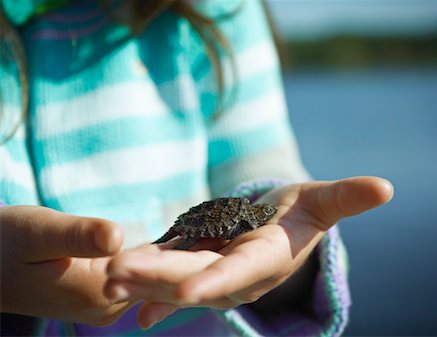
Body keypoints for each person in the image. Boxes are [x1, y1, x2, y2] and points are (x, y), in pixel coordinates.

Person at [0, 0, 394, 336]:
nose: (263, 217)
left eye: (262, 216)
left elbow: (257, 165)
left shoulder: (220, 10)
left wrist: (291, 262)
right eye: (262, 216)